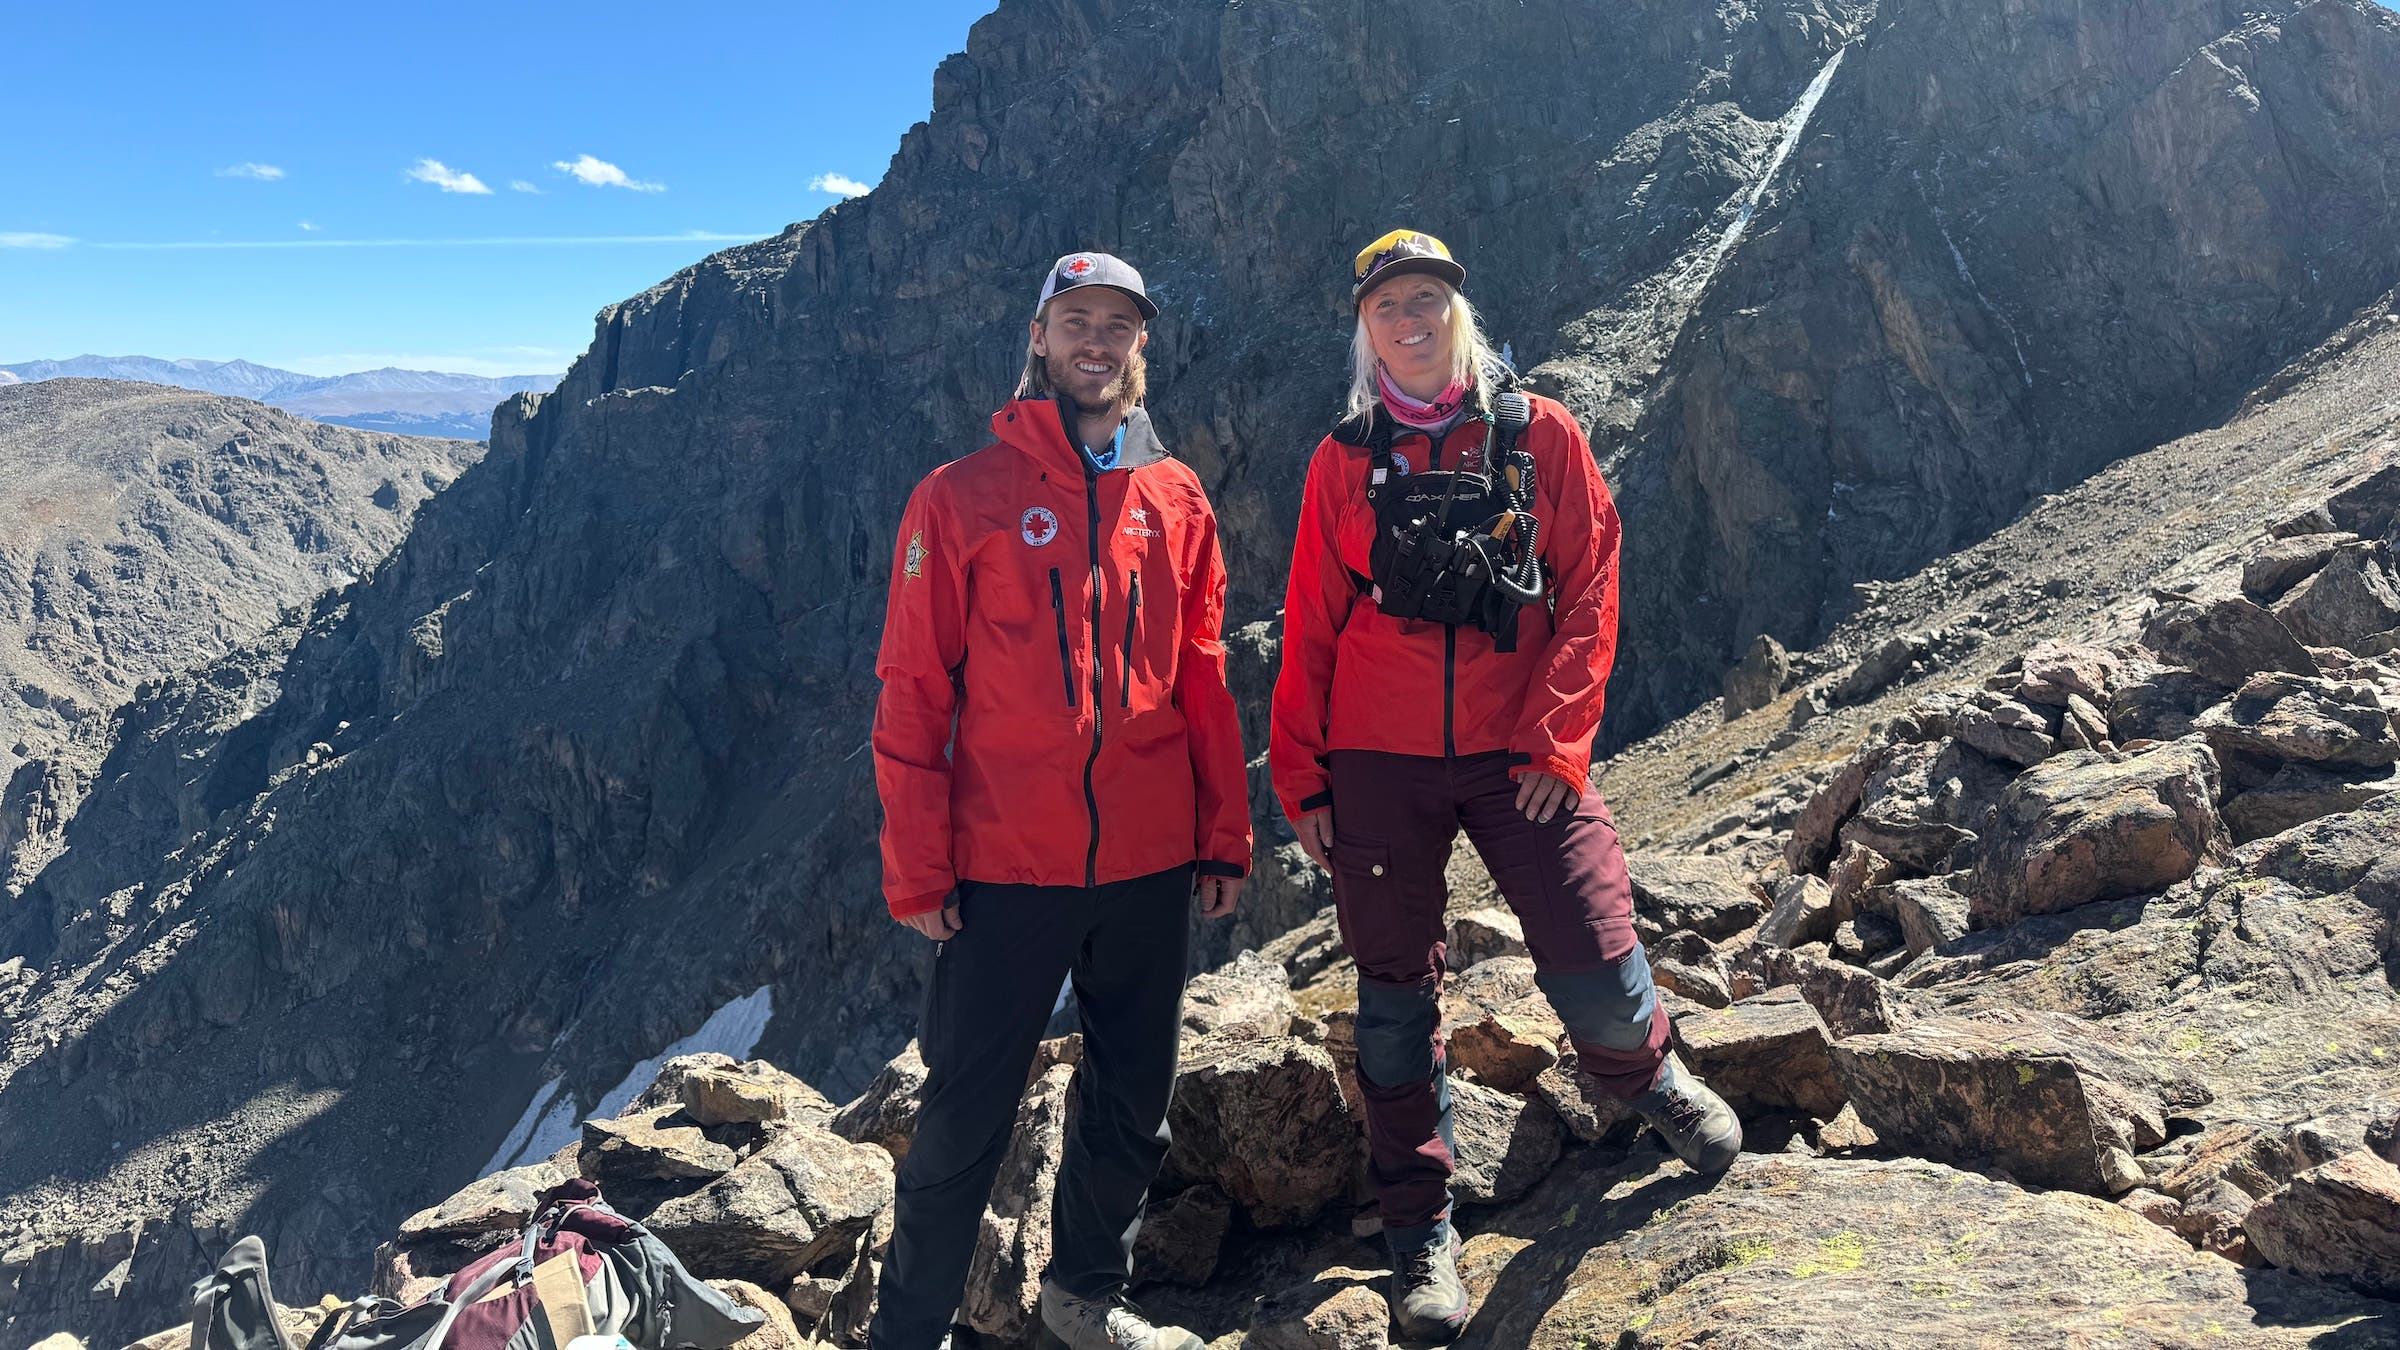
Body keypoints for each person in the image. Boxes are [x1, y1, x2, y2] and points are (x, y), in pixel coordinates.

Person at [1268, 230, 1742, 1341]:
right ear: (1366, 328)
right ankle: (1422, 1231)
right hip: (1377, 762)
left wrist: (1555, 743)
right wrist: (1306, 779)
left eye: (1428, 298)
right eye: (1389, 305)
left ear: (1458, 313)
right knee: (1391, 1001)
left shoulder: (1539, 436)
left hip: (1518, 753)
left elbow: (1590, 584)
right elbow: (1311, 627)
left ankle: (1646, 1076)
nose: (1411, 319)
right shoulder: (1342, 460)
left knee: (1590, 932)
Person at [870, 252, 1251, 1350]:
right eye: (1076, 319)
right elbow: (910, 693)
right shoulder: (960, 496)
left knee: (1132, 1101)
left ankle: (1086, 1295)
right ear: (1039, 337)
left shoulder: (1175, 498)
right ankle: (911, 1329)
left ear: (1140, 346)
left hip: (1146, 861)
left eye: (1118, 324)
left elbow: (1203, 675)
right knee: (962, 1120)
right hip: (1003, 867)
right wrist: (919, 869)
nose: (1098, 340)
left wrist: (1221, 836)